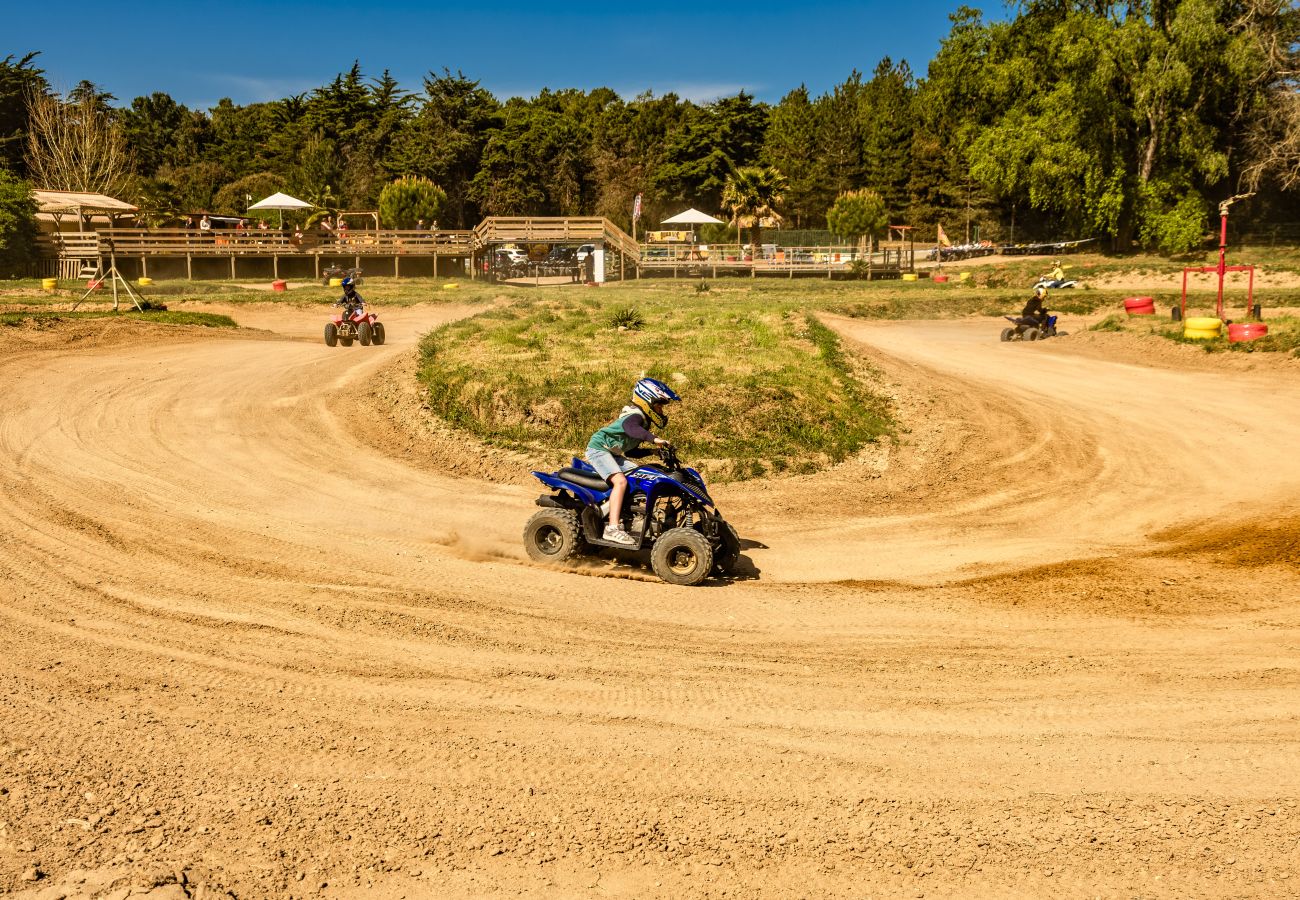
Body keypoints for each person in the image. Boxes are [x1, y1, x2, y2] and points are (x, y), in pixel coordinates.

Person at [585, 377, 681, 546]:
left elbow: (631, 451)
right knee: (620, 481)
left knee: (638, 474)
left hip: (612, 453)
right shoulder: (634, 416)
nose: (661, 410)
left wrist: (652, 451)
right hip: (599, 449)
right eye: (659, 405)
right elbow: (632, 429)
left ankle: (617, 511)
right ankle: (612, 528)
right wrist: (655, 439)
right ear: (648, 400)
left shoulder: (642, 423)